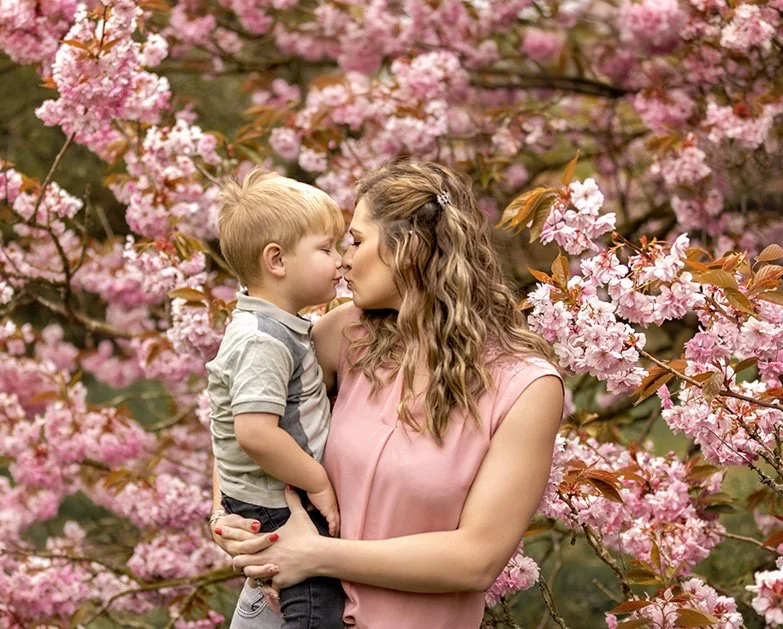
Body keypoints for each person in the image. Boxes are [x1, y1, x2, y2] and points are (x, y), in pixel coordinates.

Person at [209, 160, 566, 629]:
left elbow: (476, 559)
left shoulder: (525, 388)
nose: (344, 261)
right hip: (280, 615)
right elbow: (248, 422)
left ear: (410, 247)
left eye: (356, 241)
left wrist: (317, 556)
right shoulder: (346, 334)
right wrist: (226, 516)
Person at [206, 168, 347, 629]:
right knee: (313, 608)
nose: (341, 260)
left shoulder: (278, 327)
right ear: (277, 260)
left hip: (273, 493)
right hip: (277, 500)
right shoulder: (263, 340)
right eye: (326, 249)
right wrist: (317, 482)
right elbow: (253, 433)